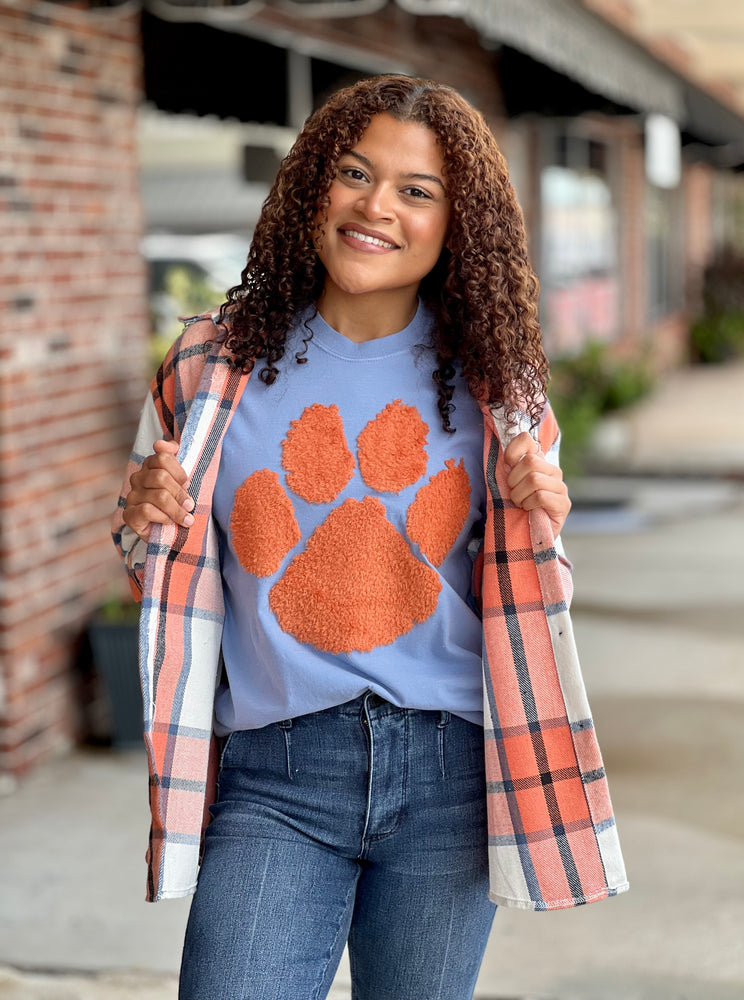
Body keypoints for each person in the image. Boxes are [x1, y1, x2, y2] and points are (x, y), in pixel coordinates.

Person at [113, 74, 627, 1000]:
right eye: (354, 172)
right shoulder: (209, 367)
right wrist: (143, 514)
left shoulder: (495, 392)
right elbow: (158, 564)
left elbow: (535, 596)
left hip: (450, 775)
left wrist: (541, 512)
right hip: (277, 773)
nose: (376, 206)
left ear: (454, 224)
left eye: (416, 190)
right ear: (312, 184)